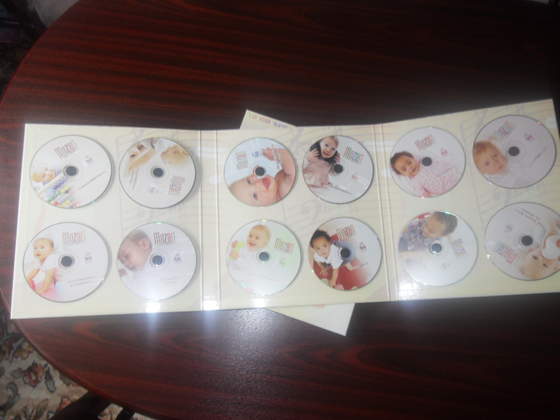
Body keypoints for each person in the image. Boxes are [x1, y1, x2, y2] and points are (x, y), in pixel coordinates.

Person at [229, 147, 295, 206]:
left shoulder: (277, 186)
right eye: (255, 196)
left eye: (249, 181)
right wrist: (278, 154)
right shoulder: (283, 191)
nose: (256, 184)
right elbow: (293, 167)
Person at [390, 151, 460, 197]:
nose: (409, 167)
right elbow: (422, 193)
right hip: (441, 192)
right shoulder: (414, 182)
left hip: (449, 178)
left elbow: (440, 164)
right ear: (403, 175)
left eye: (409, 162)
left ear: (414, 158)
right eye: (404, 169)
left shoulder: (424, 163)